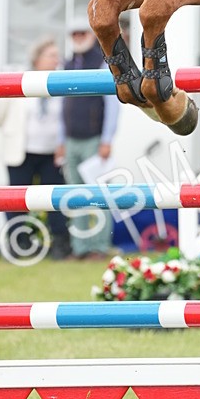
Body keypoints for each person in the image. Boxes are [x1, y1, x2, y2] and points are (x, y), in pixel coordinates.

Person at [0, 38, 71, 260]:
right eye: (52, 55)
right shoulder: (20, 79)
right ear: (37, 59)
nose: (57, 60)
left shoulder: (62, 82)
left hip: (52, 153)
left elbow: (67, 118)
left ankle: (60, 245)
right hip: (21, 152)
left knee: (54, 201)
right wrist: (11, 134)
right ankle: (19, 244)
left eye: (57, 56)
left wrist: (63, 144)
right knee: (16, 200)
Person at [62, 16, 119, 259]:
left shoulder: (102, 63)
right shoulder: (66, 65)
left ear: (91, 35)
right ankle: (80, 248)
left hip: (94, 140)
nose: (78, 38)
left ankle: (99, 246)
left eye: (81, 34)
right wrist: (60, 141)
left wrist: (107, 139)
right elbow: (60, 107)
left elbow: (113, 105)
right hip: (71, 140)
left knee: (97, 196)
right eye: (74, 35)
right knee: (74, 196)